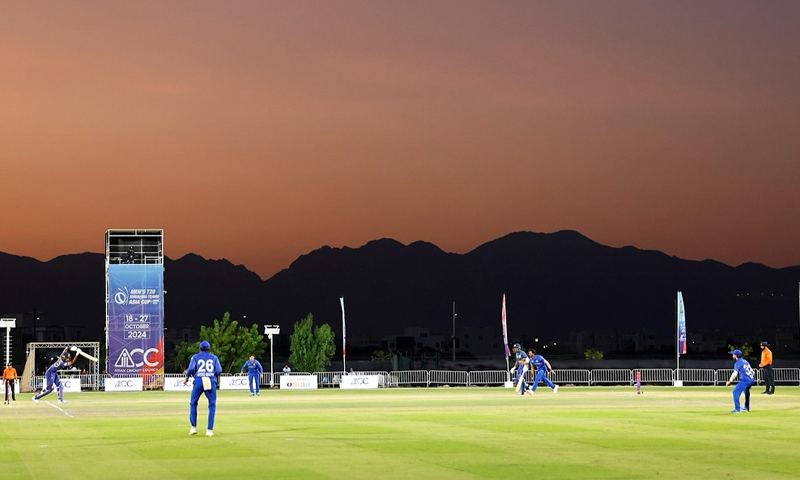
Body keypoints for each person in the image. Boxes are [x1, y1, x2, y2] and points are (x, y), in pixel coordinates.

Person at [183, 340, 222, 436]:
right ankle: (209, 430)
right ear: (209, 348)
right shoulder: (214, 357)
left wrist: (187, 377)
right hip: (209, 380)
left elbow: (191, 369)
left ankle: (193, 427)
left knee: (193, 403)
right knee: (212, 404)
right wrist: (212, 376)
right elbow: (219, 370)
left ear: (199, 348)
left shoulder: (195, 357)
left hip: (199, 380)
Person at [725, 349, 755, 413]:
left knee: (735, 392)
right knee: (746, 391)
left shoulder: (738, 362)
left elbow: (735, 374)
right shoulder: (745, 361)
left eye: (733, 354)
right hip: (751, 379)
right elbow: (752, 372)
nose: (732, 355)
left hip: (745, 380)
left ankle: (737, 409)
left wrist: (730, 381)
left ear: (736, 355)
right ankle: (746, 407)